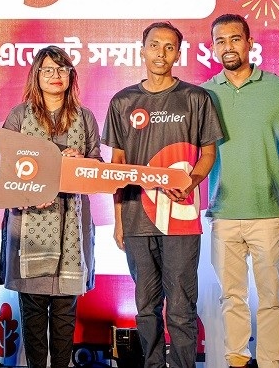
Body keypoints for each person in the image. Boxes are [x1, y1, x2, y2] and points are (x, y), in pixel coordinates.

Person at [103, 22, 222, 368]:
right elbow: (117, 167)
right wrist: (119, 222)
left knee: (182, 306)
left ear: (178, 53)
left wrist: (192, 181)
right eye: (154, 45)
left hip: (182, 218)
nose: (161, 53)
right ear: (142, 50)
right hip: (137, 217)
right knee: (146, 306)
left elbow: (209, 154)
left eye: (169, 47)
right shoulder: (123, 101)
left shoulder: (196, 98)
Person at [0, 46, 101, 368]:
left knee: (64, 311)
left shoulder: (85, 117)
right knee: (32, 311)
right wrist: (28, 192)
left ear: (71, 75)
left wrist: (80, 162)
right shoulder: (19, 116)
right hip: (28, 225)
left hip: (71, 224)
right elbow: (3, 167)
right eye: (47, 70)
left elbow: (97, 170)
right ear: (36, 76)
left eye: (62, 69)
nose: (55, 76)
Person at [201, 14, 279, 368]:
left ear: (250, 43)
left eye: (235, 39)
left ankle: (272, 362)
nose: (228, 47)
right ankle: (236, 360)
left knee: (271, 297)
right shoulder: (204, 94)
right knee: (231, 297)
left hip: (270, 211)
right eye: (220, 41)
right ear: (213, 48)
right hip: (223, 212)